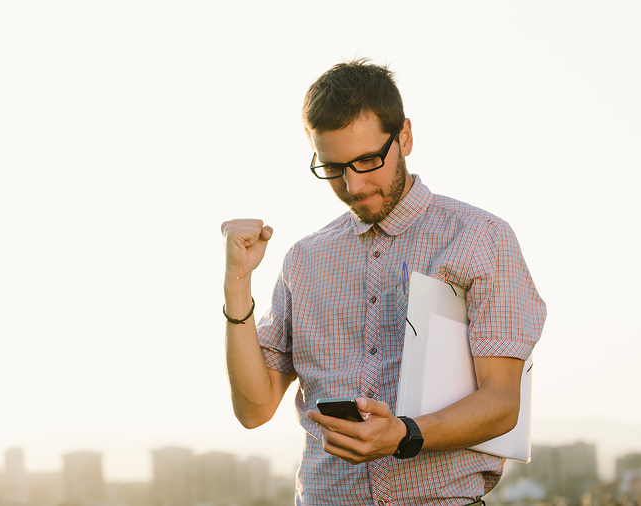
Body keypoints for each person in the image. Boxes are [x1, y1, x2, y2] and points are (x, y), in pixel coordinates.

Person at [220, 59, 546, 506]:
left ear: (405, 136)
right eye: (333, 168)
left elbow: (502, 403)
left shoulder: (479, 238)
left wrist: (403, 435)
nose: (353, 185)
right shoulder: (303, 259)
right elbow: (254, 410)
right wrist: (237, 283)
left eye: (368, 160)